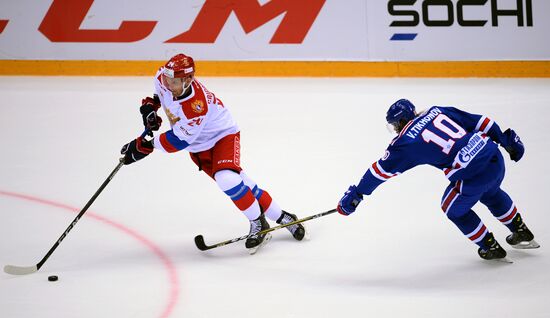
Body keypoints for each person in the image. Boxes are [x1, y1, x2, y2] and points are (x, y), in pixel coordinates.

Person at [120, 53, 305, 253]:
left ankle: (258, 223)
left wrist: (146, 145)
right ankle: (283, 217)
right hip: (198, 147)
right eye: (167, 79)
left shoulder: (196, 106)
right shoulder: (163, 77)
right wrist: (150, 108)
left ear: (188, 80)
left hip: (222, 136)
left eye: (173, 82)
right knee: (240, 182)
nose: (167, 83)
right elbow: (160, 95)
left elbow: (178, 140)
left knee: (226, 179)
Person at [337, 99, 539, 261]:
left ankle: (490, 246)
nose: (395, 130)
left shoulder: (405, 142)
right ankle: (521, 230)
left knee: (452, 208)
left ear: (400, 122)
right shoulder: (437, 111)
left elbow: (378, 172)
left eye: (394, 125)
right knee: (491, 192)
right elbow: (481, 122)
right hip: (495, 159)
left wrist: (358, 193)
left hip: (472, 176)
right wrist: (504, 140)